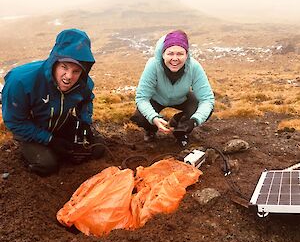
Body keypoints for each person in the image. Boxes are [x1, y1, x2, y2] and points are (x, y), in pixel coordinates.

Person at [1, 28, 105, 176]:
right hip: (31, 127)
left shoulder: (83, 84)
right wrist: (50, 140)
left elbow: (87, 100)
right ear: (55, 62)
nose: (69, 76)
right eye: (64, 67)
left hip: (60, 120)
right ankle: (35, 153)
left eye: (76, 71)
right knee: (47, 165)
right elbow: (14, 122)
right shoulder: (21, 81)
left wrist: (84, 123)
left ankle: (60, 149)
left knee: (96, 148)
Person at [130, 30, 215, 147]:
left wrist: (194, 121)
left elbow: (207, 100)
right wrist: (153, 117)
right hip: (157, 98)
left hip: (182, 98)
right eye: (170, 53)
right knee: (140, 117)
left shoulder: (194, 67)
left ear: (187, 54)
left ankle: (181, 129)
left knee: (203, 108)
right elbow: (142, 98)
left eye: (180, 54)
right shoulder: (153, 65)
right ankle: (151, 129)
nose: (175, 58)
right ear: (163, 54)